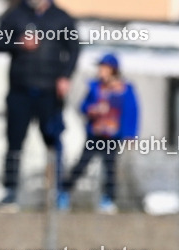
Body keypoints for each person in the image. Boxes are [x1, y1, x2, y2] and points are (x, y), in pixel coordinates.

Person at [0, 0, 79, 212]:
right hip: (20, 90)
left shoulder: (62, 18)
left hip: (49, 93)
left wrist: (65, 76)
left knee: (53, 141)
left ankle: (58, 192)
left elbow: (74, 49)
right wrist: (18, 43)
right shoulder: (14, 15)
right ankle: (10, 193)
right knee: (14, 142)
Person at [59, 54, 138, 215]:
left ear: (112, 70)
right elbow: (83, 107)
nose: (100, 71)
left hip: (113, 136)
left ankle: (108, 200)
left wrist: (130, 134)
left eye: (104, 68)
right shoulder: (95, 87)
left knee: (110, 168)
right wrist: (92, 110)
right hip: (94, 134)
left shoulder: (125, 89)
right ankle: (63, 193)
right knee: (82, 164)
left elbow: (132, 112)